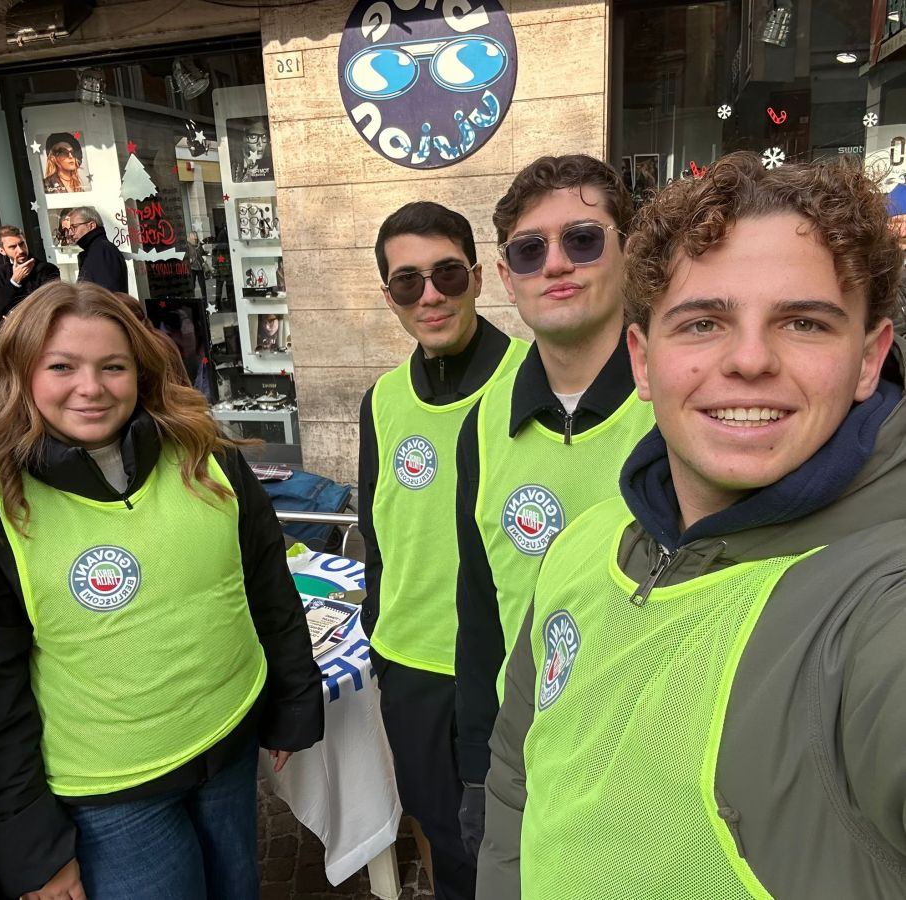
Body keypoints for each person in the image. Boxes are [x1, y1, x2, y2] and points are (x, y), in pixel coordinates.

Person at [478, 151, 906, 899]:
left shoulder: (879, 605)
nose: (748, 360)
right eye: (703, 322)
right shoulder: (587, 543)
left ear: (869, 358)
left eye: (803, 322)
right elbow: (519, 775)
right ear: (643, 360)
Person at [0, 281, 324, 900]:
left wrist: (292, 704)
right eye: (62, 367)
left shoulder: (203, 454)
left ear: (140, 369)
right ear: (22, 373)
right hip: (110, 794)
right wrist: (34, 849)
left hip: (229, 744)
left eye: (113, 366)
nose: (92, 387)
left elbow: (267, 582)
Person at [453, 155, 654, 857]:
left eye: (584, 239)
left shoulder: (685, 408)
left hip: (656, 765)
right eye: (530, 251)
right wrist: (476, 773)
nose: (557, 264)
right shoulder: (481, 425)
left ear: (628, 254)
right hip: (529, 759)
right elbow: (480, 612)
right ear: (507, 280)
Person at [358, 201, 526, 900]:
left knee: (522, 850)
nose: (430, 295)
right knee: (445, 844)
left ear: (479, 277)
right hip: (415, 669)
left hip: (514, 668)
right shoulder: (382, 400)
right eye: (408, 282)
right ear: (389, 297)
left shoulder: (536, 381)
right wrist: (378, 635)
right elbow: (377, 531)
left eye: (447, 275)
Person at [0, 226, 59, 323]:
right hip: (15, 334)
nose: (20, 250)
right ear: (2, 251)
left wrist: (18, 316)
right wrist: (14, 282)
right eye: (13, 247)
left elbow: (51, 302)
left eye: (22, 244)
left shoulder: (47, 269)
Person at [66, 207, 128, 293]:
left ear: (91, 225)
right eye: (69, 229)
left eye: (74, 227)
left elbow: (108, 294)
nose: (70, 233)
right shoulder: (96, 249)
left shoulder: (102, 249)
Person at [231, 117, 273, 183]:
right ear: (245, 139)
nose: (260, 144)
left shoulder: (271, 163)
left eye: (264, 137)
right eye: (253, 137)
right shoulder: (234, 163)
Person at [184, 231, 207, 300]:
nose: (195, 237)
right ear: (190, 237)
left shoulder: (198, 244)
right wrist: (189, 260)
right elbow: (185, 255)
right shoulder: (187, 245)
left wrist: (202, 249)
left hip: (199, 266)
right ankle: (192, 299)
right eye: (194, 235)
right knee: (192, 285)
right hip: (192, 267)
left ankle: (204, 300)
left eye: (196, 235)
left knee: (202, 285)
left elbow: (202, 252)